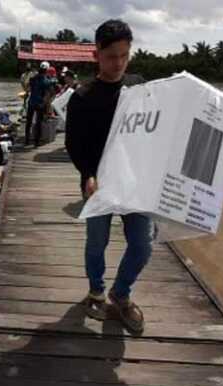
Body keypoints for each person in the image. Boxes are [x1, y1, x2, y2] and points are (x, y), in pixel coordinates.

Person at [64, 19, 151, 333]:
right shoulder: (83, 97)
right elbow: (73, 143)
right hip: (99, 184)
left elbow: (154, 132)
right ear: (96, 55)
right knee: (96, 243)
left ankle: (121, 293)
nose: (119, 63)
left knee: (143, 245)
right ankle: (96, 292)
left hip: (135, 183)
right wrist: (87, 173)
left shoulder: (140, 86)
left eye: (125, 55)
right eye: (112, 55)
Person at [25, 62, 51, 146]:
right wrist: (44, 104)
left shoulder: (32, 78)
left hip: (31, 102)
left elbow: (28, 88)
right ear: (46, 70)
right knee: (38, 123)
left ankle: (26, 141)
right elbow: (47, 94)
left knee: (28, 122)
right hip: (39, 104)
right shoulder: (46, 81)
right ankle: (36, 142)